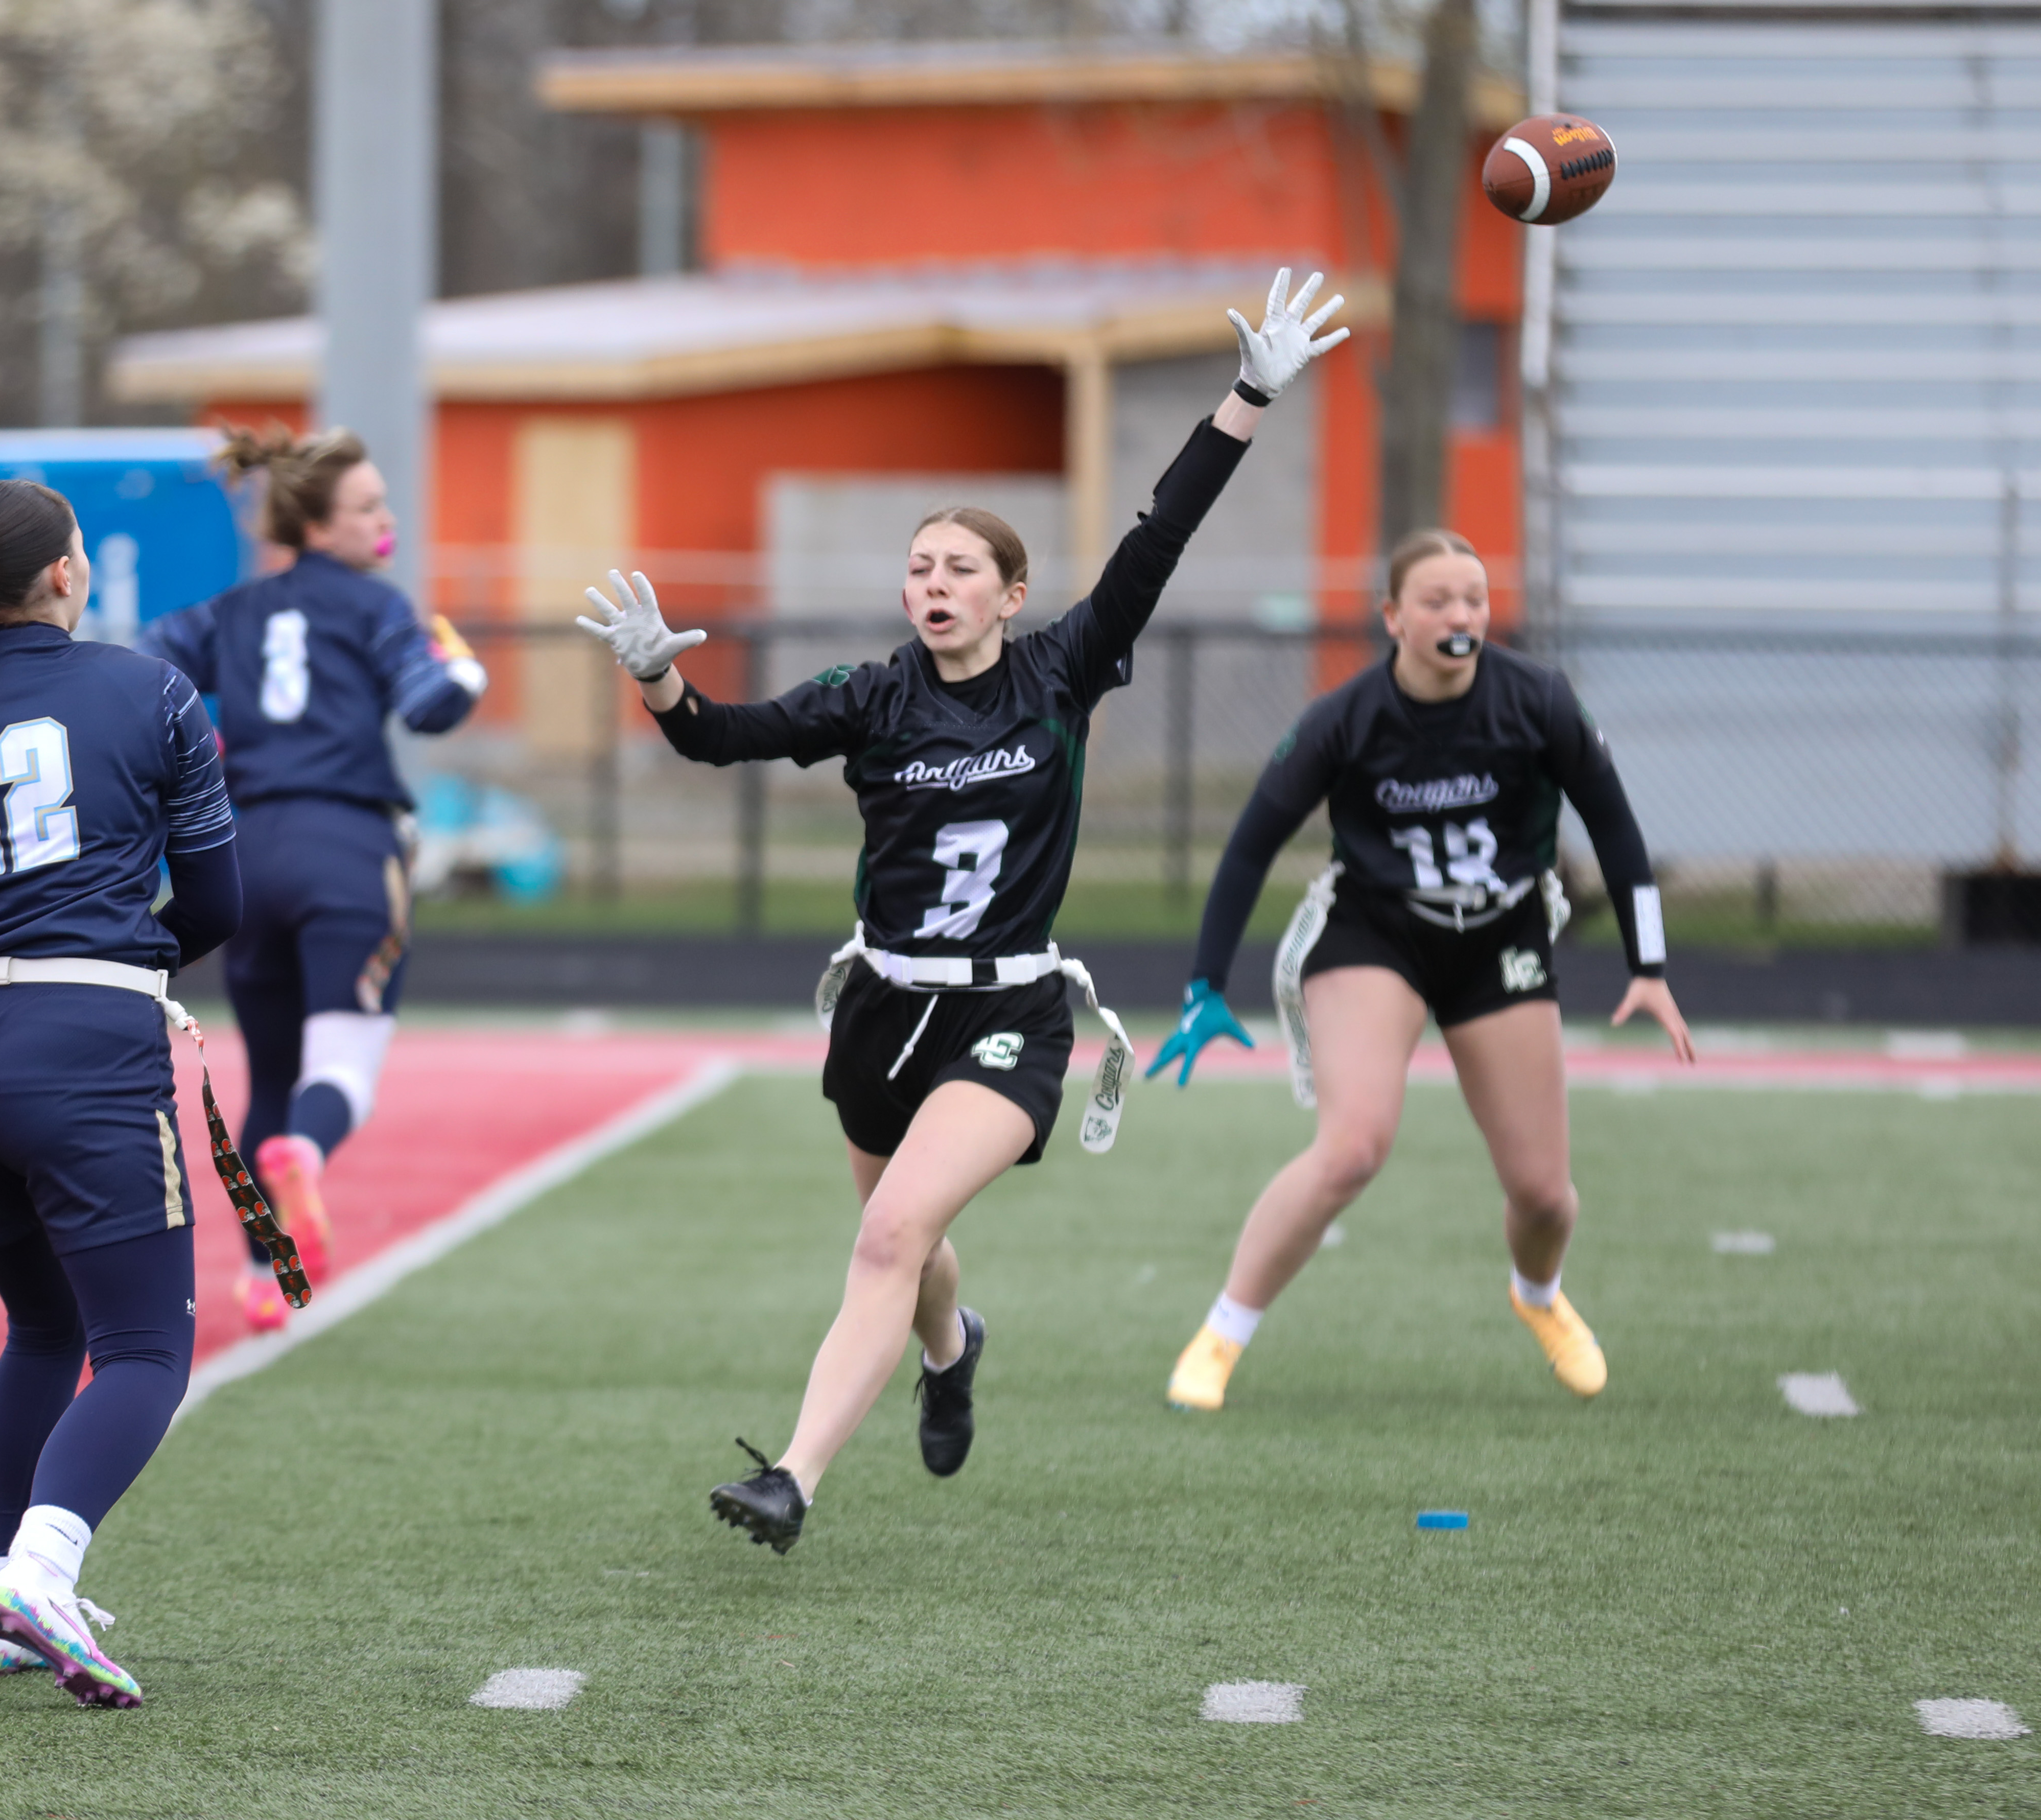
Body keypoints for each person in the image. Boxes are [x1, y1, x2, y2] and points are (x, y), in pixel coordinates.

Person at [578, 269, 1349, 1554]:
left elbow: (1160, 534)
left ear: (1006, 590)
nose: (932, 584)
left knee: (889, 1230)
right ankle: (953, 1347)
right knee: (908, 1245)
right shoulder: (869, 695)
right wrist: (659, 676)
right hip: (884, 1005)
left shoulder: (1062, 665)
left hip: (1009, 1011)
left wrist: (1247, 396)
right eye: (917, 567)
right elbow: (715, 738)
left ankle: (796, 1476)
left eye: (959, 568)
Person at [1144, 527, 1696, 1415]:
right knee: (1352, 1147)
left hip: (1500, 933)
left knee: (1545, 1193)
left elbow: (1617, 827)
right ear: (1393, 617)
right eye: (1437, 600)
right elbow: (1250, 847)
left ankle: (1539, 1296)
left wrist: (1650, 963)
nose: (1460, 615)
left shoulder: (1537, 699)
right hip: (1377, 929)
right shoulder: (1345, 717)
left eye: (1473, 598)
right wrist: (1204, 983)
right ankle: (1222, 1331)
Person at [0, 478, 243, 1708]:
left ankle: (2, 1597)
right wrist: (111, 970)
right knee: (145, 1347)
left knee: (40, 1324)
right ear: (67, 574)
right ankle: (41, 1568)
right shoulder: (151, 688)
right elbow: (220, 904)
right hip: (84, 1048)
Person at [139, 426, 487, 1334]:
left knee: (269, 1075)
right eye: (369, 506)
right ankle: (310, 1149)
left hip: (247, 855)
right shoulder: (376, 606)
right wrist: (464, 673)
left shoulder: (235, 609)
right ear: (321, 526)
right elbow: (428, 703)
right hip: (348, 848)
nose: (387, 518)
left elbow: (148, 662)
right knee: (340, 1073)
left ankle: (262, 1276)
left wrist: (210, 747)